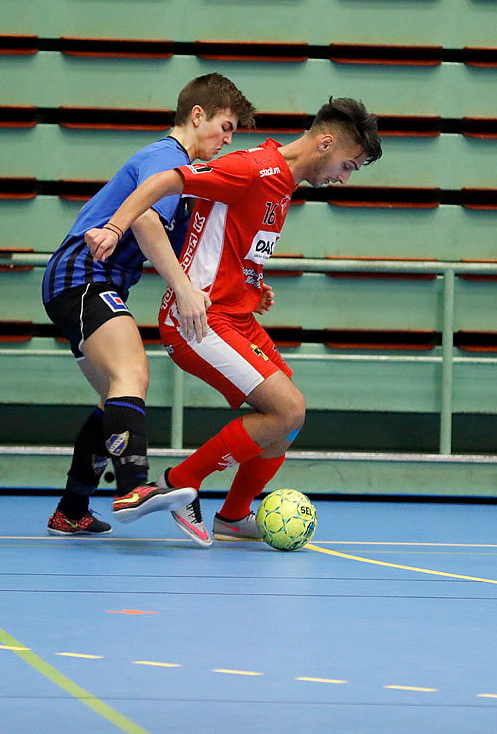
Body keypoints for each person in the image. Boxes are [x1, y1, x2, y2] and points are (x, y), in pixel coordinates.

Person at [87, 97, 381, 546]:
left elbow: (235, 244)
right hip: (199, 319)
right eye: (348, 166)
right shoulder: (253, 168)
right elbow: (166, 181)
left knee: (290, 421)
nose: (343, 178)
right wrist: (114, 227)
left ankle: (233, 515)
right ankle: (179, 481)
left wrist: (252, 284)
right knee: (287, 408)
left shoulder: (283, 184)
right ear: (325, 143)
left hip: (237, 314)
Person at [43, 73, 256, 535]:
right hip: (83, 273)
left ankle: (72, 509)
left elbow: (186, 253)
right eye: (225, 125)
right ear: (196, 116)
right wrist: (181, 288)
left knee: (115, 397)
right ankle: (136, 486)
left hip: (98, 282)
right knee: (132, 373)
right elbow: (142, 221)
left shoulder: (186, 180)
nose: (228, 138)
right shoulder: (167, 158)